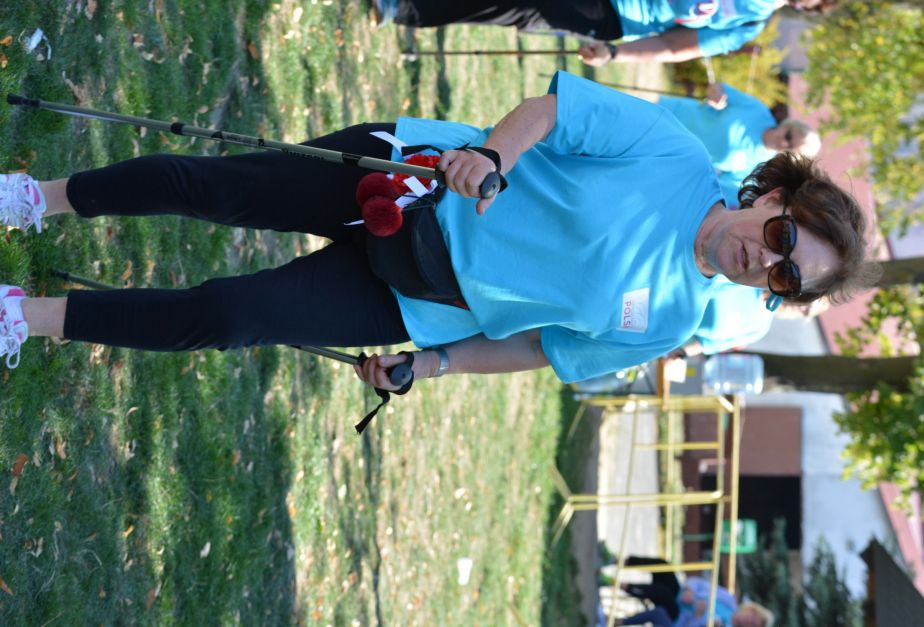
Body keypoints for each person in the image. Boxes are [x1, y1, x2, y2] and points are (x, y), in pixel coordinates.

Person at [0, 71, 874, 393]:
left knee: (229, 317)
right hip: (409, 179)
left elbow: (541, 346)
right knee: (216, 188)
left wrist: (435, 364)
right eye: (784, 240)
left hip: (418, 297)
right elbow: (552, 112)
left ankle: (24, 317)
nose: (766, 261)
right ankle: (38, 198)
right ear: (774, 198)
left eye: (784, 279)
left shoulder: (673, 321)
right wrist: (490, 157)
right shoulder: (674, 154)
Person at [377, 0, 837, 64]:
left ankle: (403, 6)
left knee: (518, 5)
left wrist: (616, 55)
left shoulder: (748, 23)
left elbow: (673, 47)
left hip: (611, 15)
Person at [655, 82, 820, 207]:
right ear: (788, 125)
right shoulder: (758, 110)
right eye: (789, 136)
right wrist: (717, 94)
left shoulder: (760, 170)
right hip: (668, 111)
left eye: (790, 149)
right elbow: (719, 87)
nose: (784, 143)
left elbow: (718, 187)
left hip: (666, 150)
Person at [613, 557, 774, 627]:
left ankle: (620, 586)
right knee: (663, 567)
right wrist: (690, 589)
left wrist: (697, 617)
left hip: (680, 620)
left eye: (753, 625)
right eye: (753, 616)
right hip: (681, 598)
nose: (749, 621)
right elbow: (700, 584)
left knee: (663, 594)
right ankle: (620, 561)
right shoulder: (728, 601)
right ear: (751, 609)